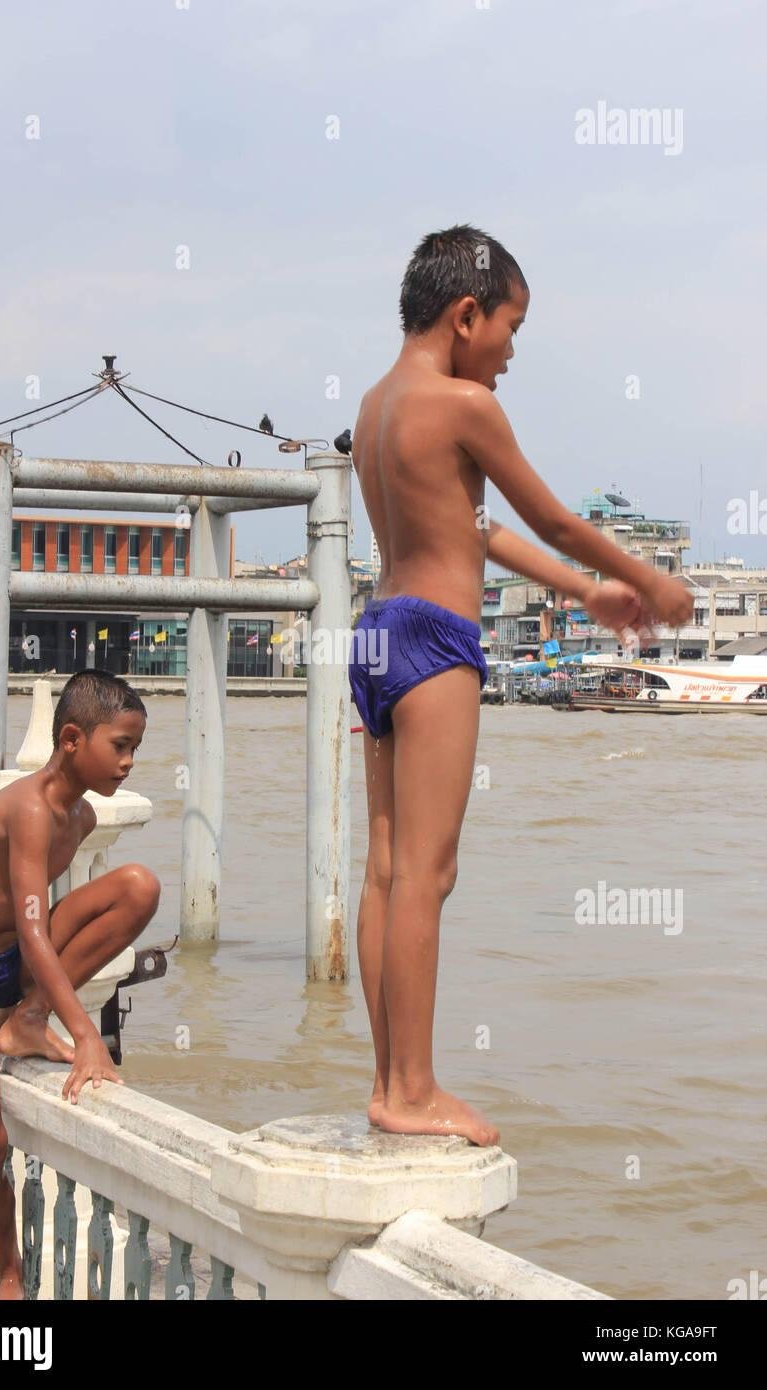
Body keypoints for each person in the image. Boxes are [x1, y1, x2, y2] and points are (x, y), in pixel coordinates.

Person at [348, 224, 693, 1147]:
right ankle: (415, 1091)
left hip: (377, 634)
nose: (511, 353)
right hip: (435, 637)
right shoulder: (466, 405)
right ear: (467, 316)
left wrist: (584, 593)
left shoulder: (377, 406)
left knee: (385, 870)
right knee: (430, 872)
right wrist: (648, 581)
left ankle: (387, 1081)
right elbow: (551, 518)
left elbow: (474, 529)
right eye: (512, 327)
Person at [0, 669, 161, 1298]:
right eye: (121, 746)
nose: (129, 762)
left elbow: (36, 926)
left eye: (135, 748)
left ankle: (25, 1019)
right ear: (73, 739)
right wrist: (86, 1035)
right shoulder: (30, 808)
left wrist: (43, 1005)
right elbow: (34, 931)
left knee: (139, 886)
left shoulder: (81, 816)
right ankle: (8, 1270)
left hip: (17, 956)